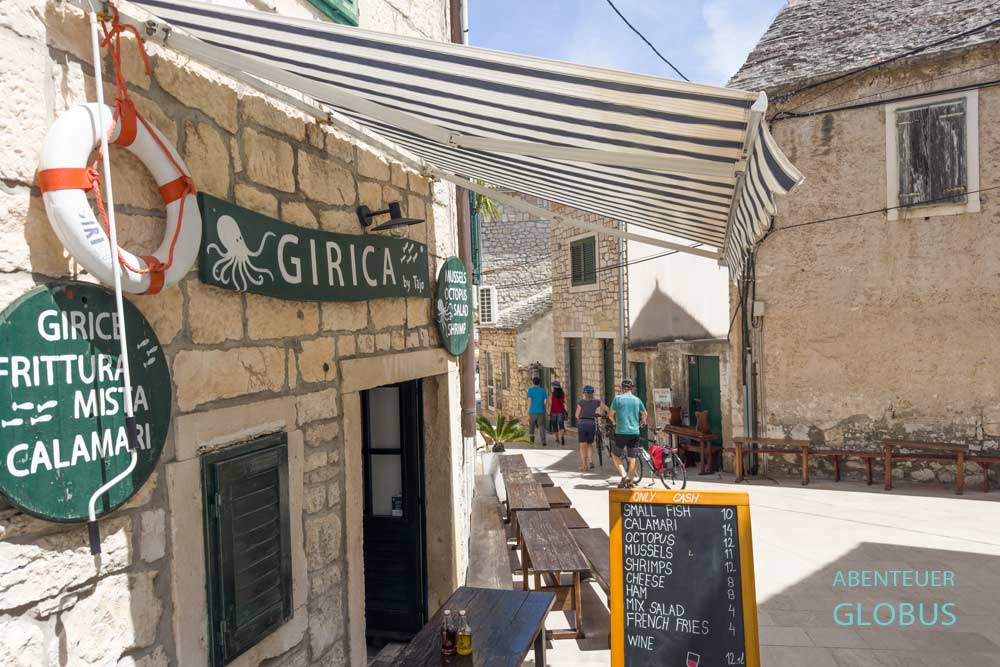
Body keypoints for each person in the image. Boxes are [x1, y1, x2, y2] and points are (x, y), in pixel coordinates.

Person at [608, 378, 647, 488]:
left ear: (622, 388)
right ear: (632, 388)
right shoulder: (637, 400)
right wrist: (642, 422)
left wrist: (615, 423)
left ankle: (623, 474)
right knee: (632, 457)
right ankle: (630, 480)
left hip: (621, 431)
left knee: (615, 454)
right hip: (635, 432)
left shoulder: (617, 399)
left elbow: (610, 414)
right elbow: (645, 414)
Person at [575, 385, 605, 471]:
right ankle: (591, 461)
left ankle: (584, 465)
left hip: (582, 424)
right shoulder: (597, 402)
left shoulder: (581, 402)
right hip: (592, 424)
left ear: (584, 393)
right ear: (592, 393)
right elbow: (607, 408)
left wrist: (581, 418)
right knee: (589, 444)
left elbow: (577, 415)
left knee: (582, 445)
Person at [525, 376, 548, 446]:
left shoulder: (530, 390)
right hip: (540, 411)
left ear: (533, 382)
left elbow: (529, 401)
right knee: (541, 426)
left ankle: (531, 441)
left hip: (532, 411)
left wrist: (527, 411)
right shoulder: (543, 390)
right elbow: (545, 401)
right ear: (539, 383)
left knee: (531, 427)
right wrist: (542, 406)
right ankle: (543, 441)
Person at [549, 381, 568, 446]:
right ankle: (562, 437)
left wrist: (549, 412)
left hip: (553, 411)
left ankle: (557, 439)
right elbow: (565, 402)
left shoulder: (552, 394)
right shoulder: (563, 393)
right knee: (561, 425)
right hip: (561, 411)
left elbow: (550, 403)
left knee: (555, 425)